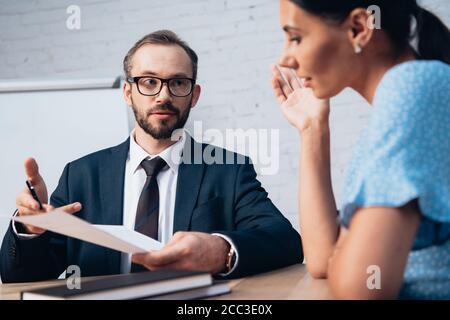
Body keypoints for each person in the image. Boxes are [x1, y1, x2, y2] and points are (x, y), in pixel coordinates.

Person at [0, 30, 303, 283]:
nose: (163, 96)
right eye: (148, 82)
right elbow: (21, 277)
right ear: (128, 93)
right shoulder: (81, 174)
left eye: (178, 82)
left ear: (194, 95)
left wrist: (221, 250)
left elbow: (286, 242)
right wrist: (30, 229)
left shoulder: (228, 170)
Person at [272, 0, 450, 299]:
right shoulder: (386, 120)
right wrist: (312, 128)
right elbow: (321, 260)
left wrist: (346, 248)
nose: (285, 58)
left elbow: (364, 287)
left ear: (359, 28)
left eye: (296, 38)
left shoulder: (414, 88)